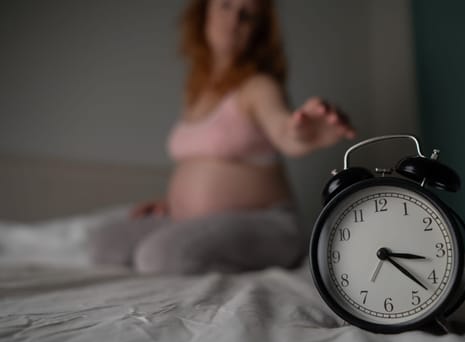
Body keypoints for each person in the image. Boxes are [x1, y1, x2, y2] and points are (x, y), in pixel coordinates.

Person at [88, 0, 356, 274]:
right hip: (191, 221)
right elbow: (199, 163)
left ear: (258, 31)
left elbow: (283, 129)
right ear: (204, 13)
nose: (235, 19)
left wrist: (302, 133)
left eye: (248, 15)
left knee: (160, 256)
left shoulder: (258, 86)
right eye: (225, 5)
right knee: (104, 244)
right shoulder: (196, 92)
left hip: (265, 224)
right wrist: (175, 201)